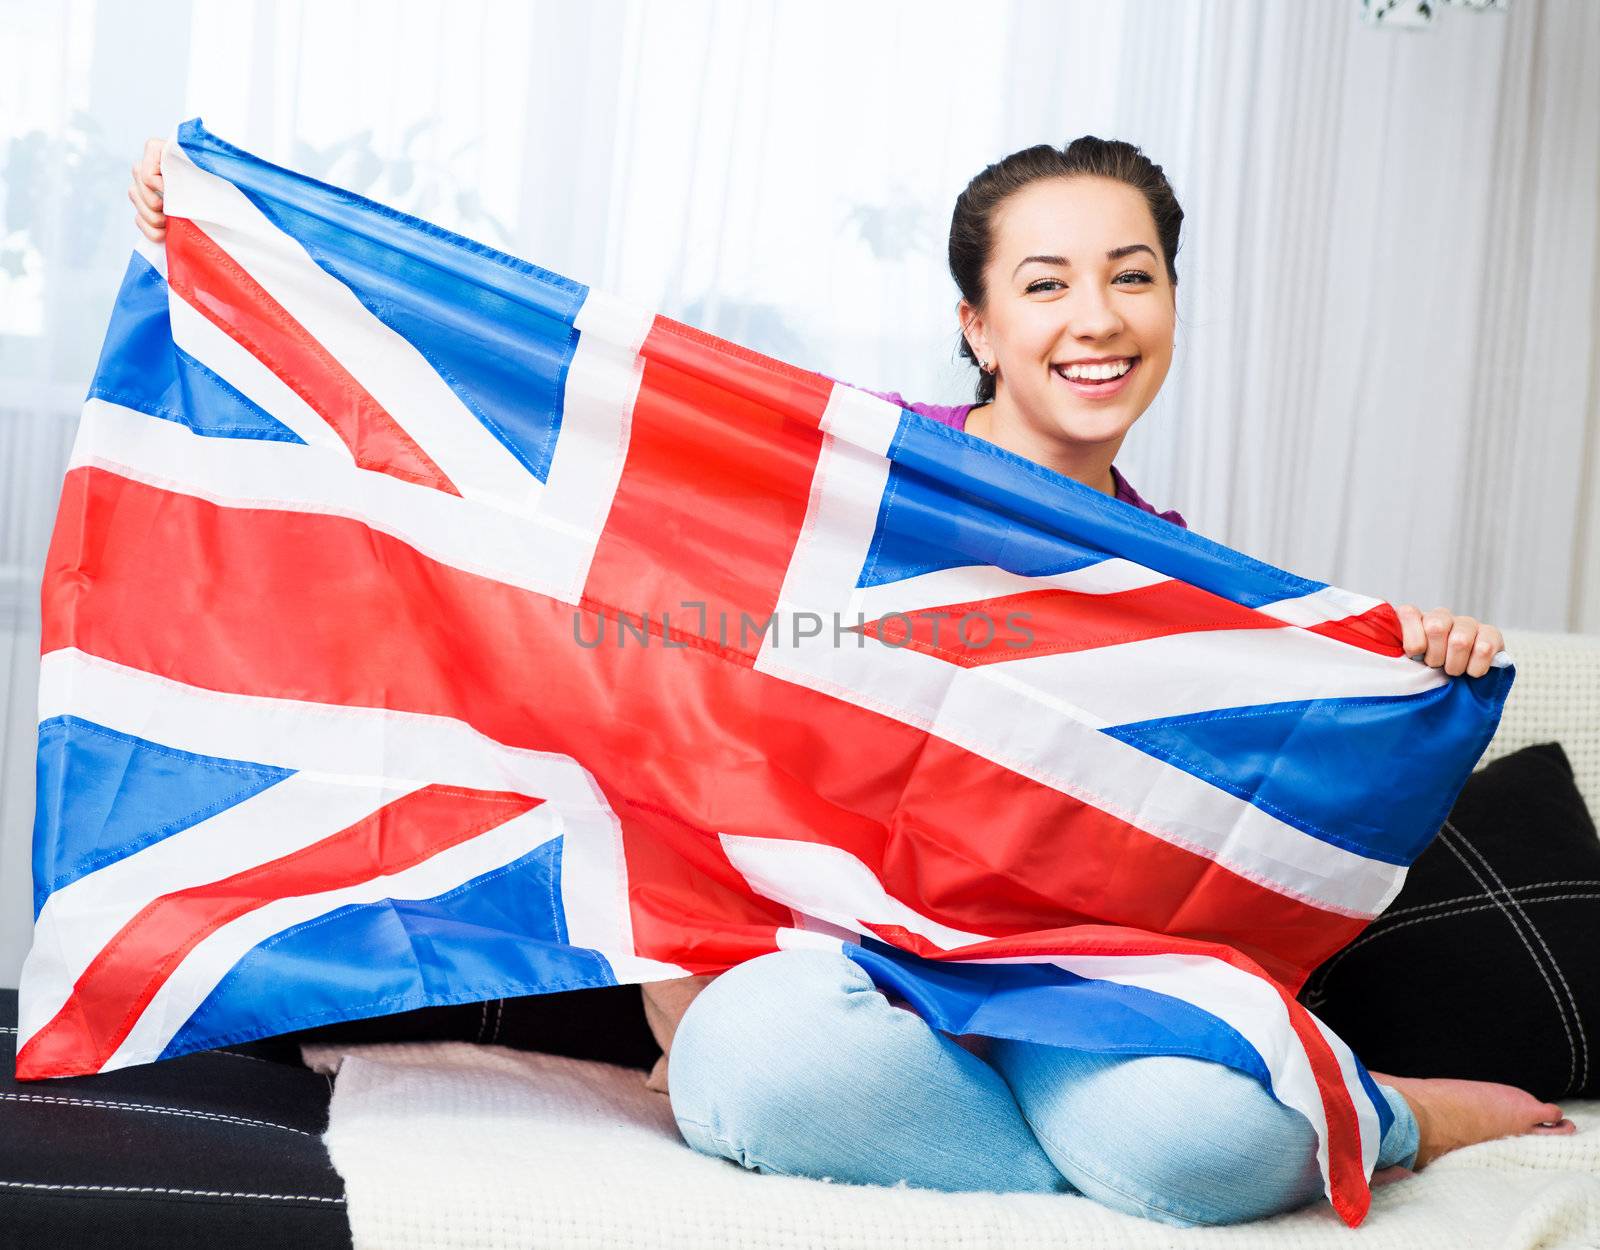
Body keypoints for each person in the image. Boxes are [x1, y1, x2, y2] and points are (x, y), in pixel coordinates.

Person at [129, 134, 1576, 1227]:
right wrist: (256, 263)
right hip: (833, 973)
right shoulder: (850, 479)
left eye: (1133, 276)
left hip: (1069, 990)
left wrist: (1417, 662)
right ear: (977, 321)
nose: (1096, 317)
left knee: (1213, 1151)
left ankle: (1383, 1115)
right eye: (1046, 281)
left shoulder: (1194, 596)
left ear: (1173, 306)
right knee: (761, 1073)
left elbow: (1238, 819)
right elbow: (613, 589)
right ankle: (1084, 1140)